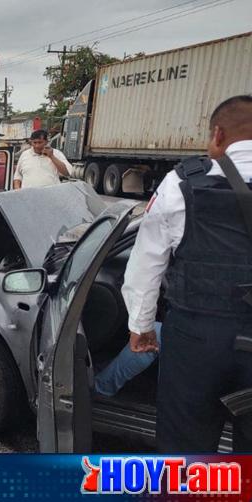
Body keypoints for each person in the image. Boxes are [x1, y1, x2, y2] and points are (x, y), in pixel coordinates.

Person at [121, 94, 252, 453]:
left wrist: (142, 326)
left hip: (196, 339)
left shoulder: (180, 184)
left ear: (218, 135)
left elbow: (146, 264)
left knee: (185, 447)